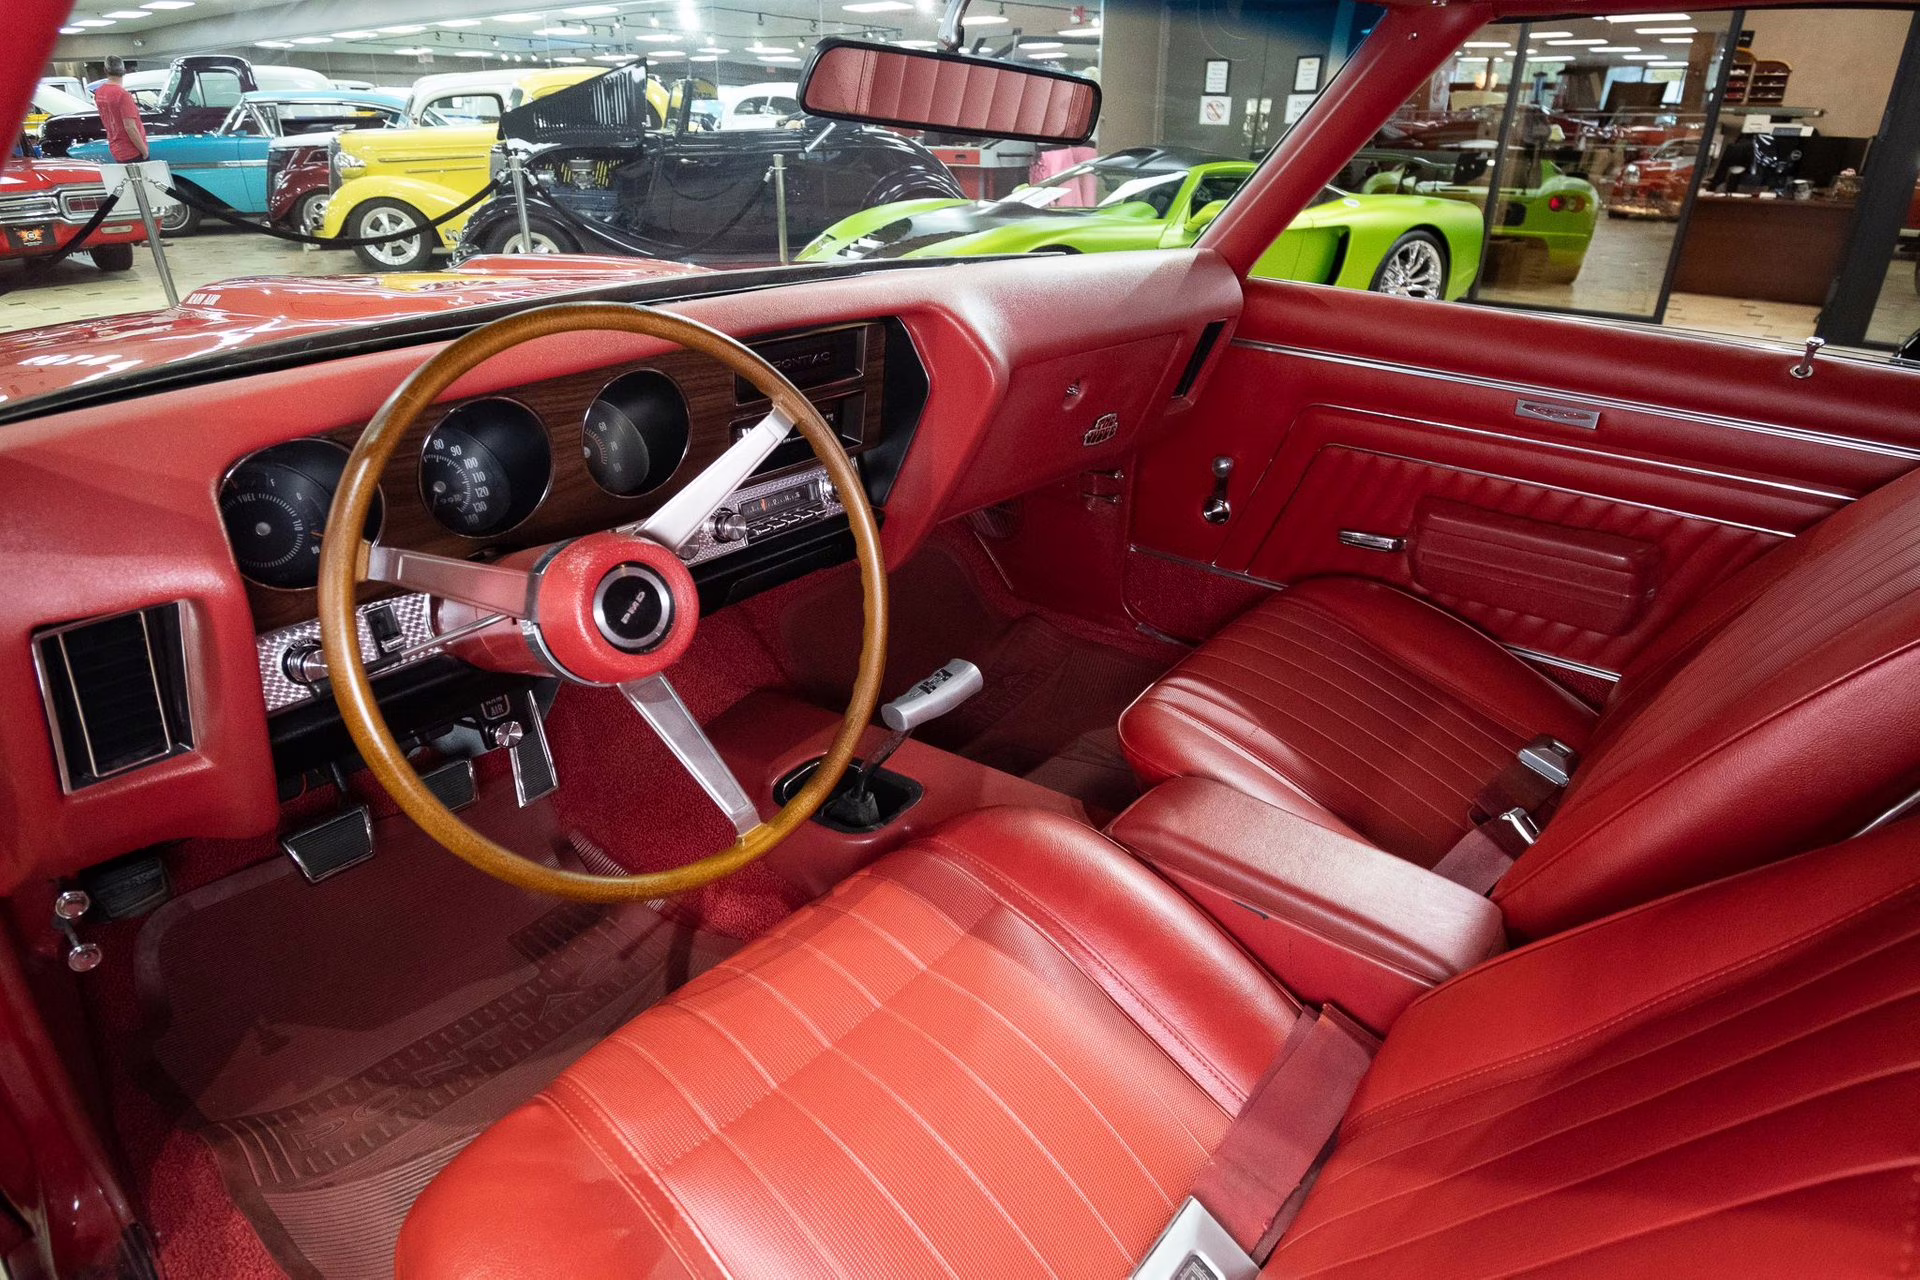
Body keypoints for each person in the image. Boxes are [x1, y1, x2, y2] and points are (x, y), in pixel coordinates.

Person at [93, 56, 149, 164]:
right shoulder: (123, 95)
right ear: (124, 71)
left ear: (105, 71)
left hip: (116, 148)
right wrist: (144, 150)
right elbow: (130, 127)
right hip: (133, 151)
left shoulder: (99, 93)